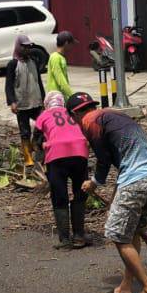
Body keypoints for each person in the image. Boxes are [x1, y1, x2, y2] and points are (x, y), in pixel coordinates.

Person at [67, 91, 147, 293]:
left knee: (118, 235)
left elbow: (104, 160)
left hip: (136, 179)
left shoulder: (89, 122)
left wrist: (94, 182)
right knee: (133, 232)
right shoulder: (112, 115)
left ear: (74, 115)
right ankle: (126, 286)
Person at [34, 91, 90, 248]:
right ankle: (79, 236)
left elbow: (36, 140)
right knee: (80, 193)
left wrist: (41, 148)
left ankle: (65, 240)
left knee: (60, 197)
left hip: (57, 156)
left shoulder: (43, 116)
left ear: (47, 104)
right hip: (80, 153)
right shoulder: (71, 113)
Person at [5, 34, 45, 169]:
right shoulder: (13, 64)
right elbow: (9, 85)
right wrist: (12, 102)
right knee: (24, 131)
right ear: (18, 47)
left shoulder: (33, 61)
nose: (27, 49)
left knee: (42, 124)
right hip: (22, 104)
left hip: (36, 102)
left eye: (29, 47)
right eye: (25, 47)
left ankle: (36, 143)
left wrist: (43, 99)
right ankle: (27, 156)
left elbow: (38, 81)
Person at [45, 31, 75, 100]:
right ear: (66, 43)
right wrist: (72, 95)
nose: (72, 46)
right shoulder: (55, 58)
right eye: (71, 44)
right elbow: (61, 80)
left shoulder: (61, 57)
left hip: (61, 96)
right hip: (55, 97)